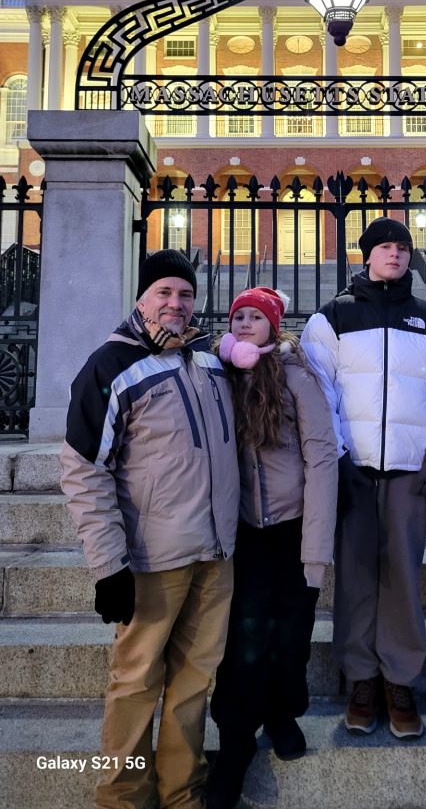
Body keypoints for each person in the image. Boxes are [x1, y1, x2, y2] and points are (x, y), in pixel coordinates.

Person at [60, 249, 240, 809]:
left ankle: (181, 790)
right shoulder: (110, 366)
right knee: (136, 684)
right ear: (141, 299)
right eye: (164, 293)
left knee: (194, 682)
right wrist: (108, 566)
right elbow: (85, 471)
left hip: (215, 554)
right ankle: (122, 797)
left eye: (185, 294)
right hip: (151, 560)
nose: (176, 304)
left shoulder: (209, 361)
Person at [300, 218, 426, 739]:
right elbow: (318, 394)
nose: (395, 254)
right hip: (354, 469)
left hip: (410, 471)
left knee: (403, 576)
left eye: (403, 247)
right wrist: (338, 458)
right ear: (367, 254)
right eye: (385, 246)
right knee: (356, 574)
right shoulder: (332, 317)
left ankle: (401, 679)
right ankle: (361, 677)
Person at [207, 286, 338, 809]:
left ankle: (283, 713)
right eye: (236, 316)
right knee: (241, 641)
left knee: (291, 633)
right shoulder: (217, 377)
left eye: (254, 317)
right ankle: (235, 739)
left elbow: (323, 460)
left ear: (273, 325)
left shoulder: (297, 377)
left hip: (291, 528)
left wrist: (315, 553)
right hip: (238, 532)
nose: (243, 324)